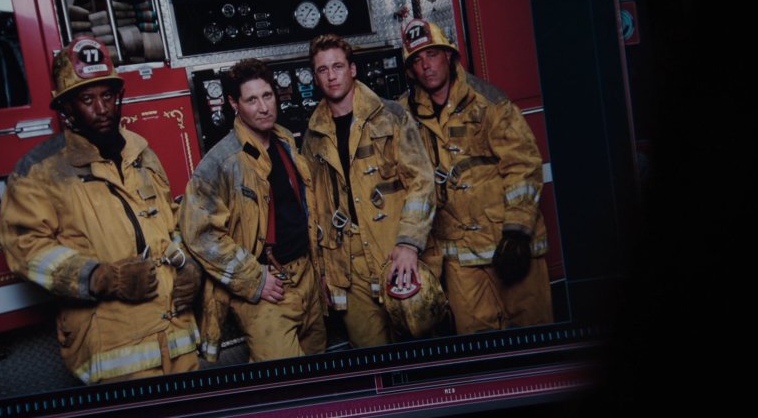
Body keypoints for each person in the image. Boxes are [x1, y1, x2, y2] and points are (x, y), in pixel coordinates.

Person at [0, 36, 201, 384]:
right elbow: (25, 248)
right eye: (87, 99)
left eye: (107, 96)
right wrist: (98, 277)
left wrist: (188, 264)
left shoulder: (142, 153)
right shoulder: (40, 171)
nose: (101, 108)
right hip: (117, 351)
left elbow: (168, 220)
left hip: (179, 334)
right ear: (66, 108)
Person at [399, 18, 553, 334]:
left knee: (534, 332)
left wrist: (518, 232)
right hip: (458, 256)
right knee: (477, 345)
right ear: (410, 70)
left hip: (508, 245)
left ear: (448, 55)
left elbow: (523, 164)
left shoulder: (489, 103)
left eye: (431, 54)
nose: (425, 66)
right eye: (416, 60)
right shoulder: (405, 115)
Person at [180, 58, 326, 362]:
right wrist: (254, 279)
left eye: (268, 95)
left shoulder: (285, 140)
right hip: (268, 289)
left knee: (321, 376)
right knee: (292, 391)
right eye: (252, 100)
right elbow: (199, 234)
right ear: (235, 103)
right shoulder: (221, 162)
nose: (263, 107)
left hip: (307, 278)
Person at [302, 34, 438, 348]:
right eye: (323, 70)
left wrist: (409, 244)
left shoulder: (391, 117)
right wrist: (322, 270)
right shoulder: (313, 136)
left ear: (353, 70)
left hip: (395, 253)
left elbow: (422, 181)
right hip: (347, 267)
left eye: (338, 66)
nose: (332, 75)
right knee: (371, 357)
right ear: (316, 78)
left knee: (418, 348)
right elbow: (317, 208)